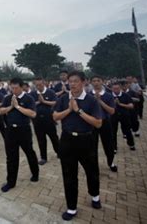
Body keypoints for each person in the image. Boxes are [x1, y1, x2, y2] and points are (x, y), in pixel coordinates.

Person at [53, 71, 103, 221]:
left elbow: (98, 123)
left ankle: (95, 196)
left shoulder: (91, 101)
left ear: (83, 82)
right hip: (67, 140)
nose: (72, 84)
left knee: (92, 170)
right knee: (69, 175)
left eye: (75, 81)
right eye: (70, 81)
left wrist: (78, 110)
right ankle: (71, 207)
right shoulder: (63, 99)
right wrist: (69, 109)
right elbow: (55, 116)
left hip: (86, 140)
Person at [0, 77, 39, 192]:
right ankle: (11, 182)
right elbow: (0, 111)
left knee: (29, 153)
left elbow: (32, 114)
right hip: (11, 131)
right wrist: (11, 106)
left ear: (22, 87)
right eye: (12, 88)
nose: (14, 90)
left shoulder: (28, 98)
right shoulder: (8, 98)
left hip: (24, 130)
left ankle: (35, 173)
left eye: (16, 88)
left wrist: (17, 106)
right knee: (11, 158)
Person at [90, 75, 118, 172]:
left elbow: (112, 111)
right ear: (91, 83)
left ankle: (111, 162)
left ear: (102, 82)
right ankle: (93, 165)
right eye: (94, 81)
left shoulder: (108, 95)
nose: (96, 82)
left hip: (105, 122)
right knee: (92, 145)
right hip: (92, 123)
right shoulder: (88, 95)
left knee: (108, 144)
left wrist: (99, 101)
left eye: (98, 80)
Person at [29, 77, 59, 165]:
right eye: (37, 85)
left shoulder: (50, 92)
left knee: (54, 137)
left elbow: (55, 102)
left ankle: (59, 152)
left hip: (49, 120)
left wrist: (44, 101)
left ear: (44, 83)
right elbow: (30, 105)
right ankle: (43, 157)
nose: (39, 87)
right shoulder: (32, 93)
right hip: (37, 121)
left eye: (40, 85)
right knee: (41, 139)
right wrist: (39, 102)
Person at [111, 82, 136, 151]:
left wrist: (120, 104)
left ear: (120, 88)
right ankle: (114, 147)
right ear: (111, 89)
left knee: (127, 130)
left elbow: (131, 106)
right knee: (113, 132)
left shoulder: (125, 95)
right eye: (114, 89)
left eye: (117, 88)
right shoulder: (109, 96)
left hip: (124, 115)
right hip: (113, 116)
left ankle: (131, 144)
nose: (116, 90)